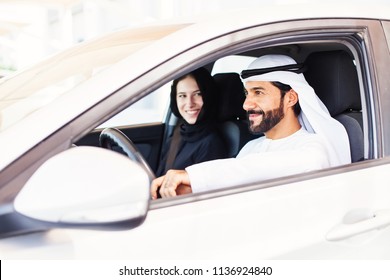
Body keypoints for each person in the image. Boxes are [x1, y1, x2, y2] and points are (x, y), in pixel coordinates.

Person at [151, 54, 351, 199]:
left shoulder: (314, 150)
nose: (246, 104)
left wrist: (192, 178)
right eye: (247, 94)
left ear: (290, 98)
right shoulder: (251, 148)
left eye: (259, 92)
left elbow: (252, 170)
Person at [155, 67, 228, 178]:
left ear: (208, 96)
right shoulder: (179, 133)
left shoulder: (211, 142)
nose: (190, 103)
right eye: (182, 96)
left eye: (197, 94)